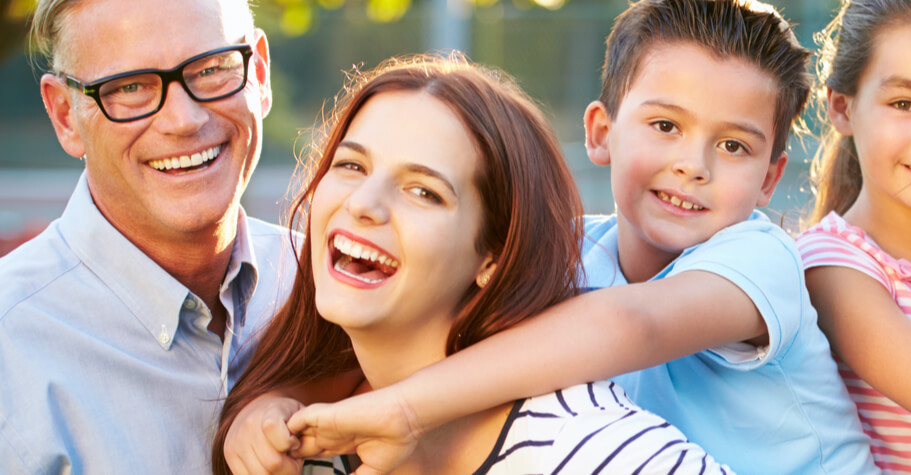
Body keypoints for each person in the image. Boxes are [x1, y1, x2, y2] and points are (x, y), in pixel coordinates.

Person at [222, 0, 876, 473]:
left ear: (770, 179)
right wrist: (277, 405)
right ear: (600, 132)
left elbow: (633, 327)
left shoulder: (762, 259)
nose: (693, 163)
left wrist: (405, 411)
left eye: (734, 145)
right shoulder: (568, 252)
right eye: (666, 126)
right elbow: (413, 333)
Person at [211, 53, 728, 475]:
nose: (364, 202)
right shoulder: (305, 439)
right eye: (351, 165)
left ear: (494, 257)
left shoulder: (588, 448)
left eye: (424, 191)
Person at [0, 0, 293, 472]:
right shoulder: (9, 351)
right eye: (130, 87)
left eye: (211, 68)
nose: (184, 120)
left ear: (258, 73)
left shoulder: (329, 287)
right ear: (64, 115)